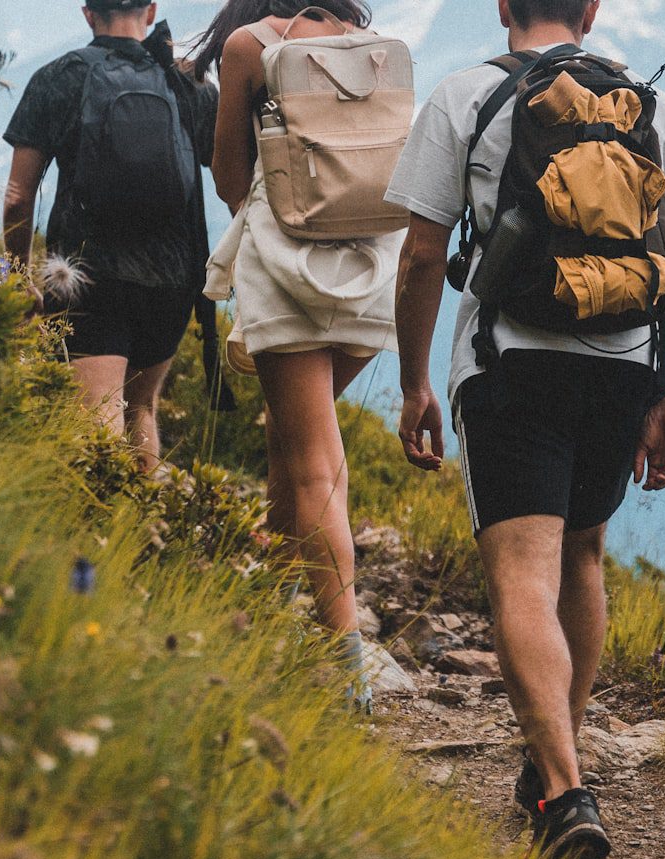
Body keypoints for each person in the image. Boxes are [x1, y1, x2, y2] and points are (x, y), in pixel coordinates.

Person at [386, 0, 665, 859]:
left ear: (504, 6)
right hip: (622, 367)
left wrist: (416, 381)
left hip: (514, 361)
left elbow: (423, 254)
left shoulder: (466, 97)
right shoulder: (649, 103)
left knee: (521, 578)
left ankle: (566, 788)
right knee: (582, 559)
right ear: (594, 9)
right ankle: (549, 765)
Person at [192, 0, 396, 710]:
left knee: (311, 459)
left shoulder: (250, 45)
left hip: (288, 269)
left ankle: (348, 670)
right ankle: (277, 591)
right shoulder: (375, 47)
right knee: (291, 435)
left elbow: (226, 178)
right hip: (374, 271)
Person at [4, 0, 217, 472]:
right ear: (150, 10)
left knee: (96, 416)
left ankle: (95, 535)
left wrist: (17, 275)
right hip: (173, 279)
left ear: (87, 14)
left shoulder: (61, 76)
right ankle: (140, 532)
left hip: (86, 276)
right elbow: (233, 176)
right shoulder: (187, 82)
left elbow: (19, 197)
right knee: (140, 409)